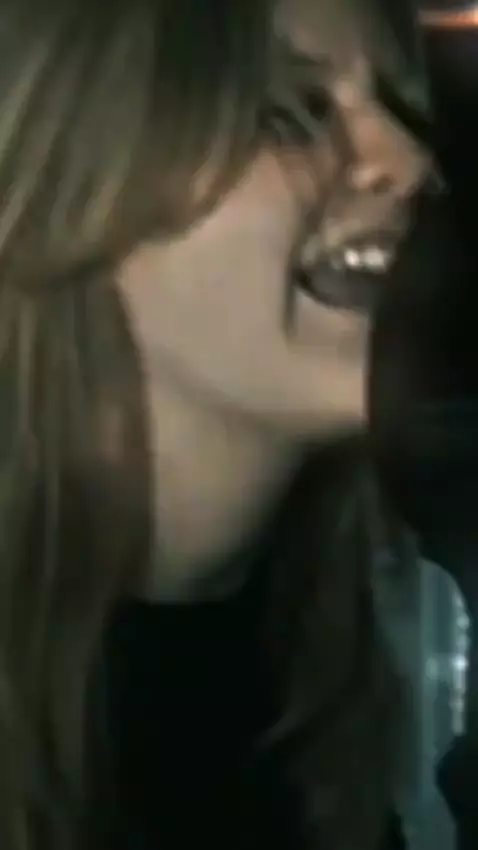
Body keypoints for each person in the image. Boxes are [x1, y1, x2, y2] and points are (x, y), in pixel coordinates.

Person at [0, 1, 431, 849]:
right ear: (65, 184)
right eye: (292, 113)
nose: (409, 163)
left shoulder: (325, 674)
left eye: (407, 113)